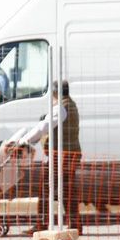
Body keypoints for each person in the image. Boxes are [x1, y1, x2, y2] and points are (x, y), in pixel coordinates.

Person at [29, 80, 82, 230]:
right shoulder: (69, 105)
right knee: (67, 190)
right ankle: (75, 224)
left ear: (54, 93)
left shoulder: (61, 108)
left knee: (46, 189)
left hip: (62, 156)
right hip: (68, 154)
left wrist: (24, 141)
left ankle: (42, 224)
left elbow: (43, 127)